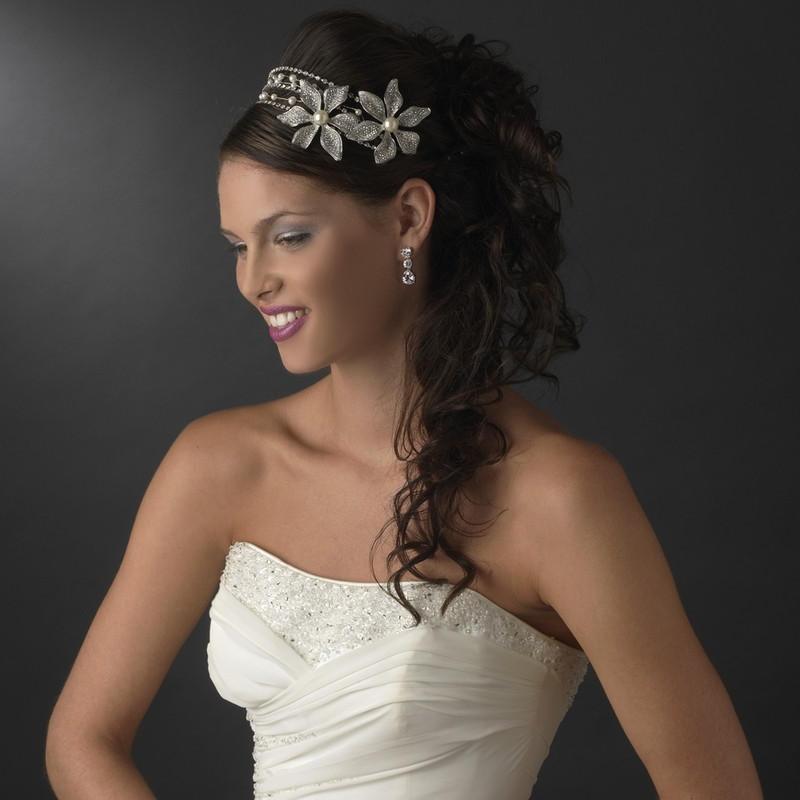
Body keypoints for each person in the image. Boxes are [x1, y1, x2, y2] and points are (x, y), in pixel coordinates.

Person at [45, 9, 762, 799]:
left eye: (290, 236)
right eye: (238, 246)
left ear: (408, 218)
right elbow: (83, 741)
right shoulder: (218, 464)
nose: (254, 281)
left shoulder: (560, 496)